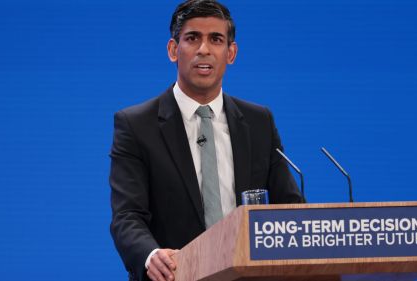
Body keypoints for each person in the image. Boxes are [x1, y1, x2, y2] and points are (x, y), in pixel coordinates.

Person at [109, 1, 303, 280]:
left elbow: (290, 207)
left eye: (216, 39)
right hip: (177, 275)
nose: (204, 49)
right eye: (192, 38)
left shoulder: (259, 121)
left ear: (231, 53)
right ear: (173, 50)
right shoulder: (136, 125)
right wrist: (151, 256)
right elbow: (127, 216)